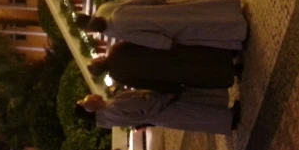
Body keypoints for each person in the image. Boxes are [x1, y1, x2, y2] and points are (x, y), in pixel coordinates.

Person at [82, 0, 248, 50]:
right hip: (162, 11)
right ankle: (229, 8)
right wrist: (156, 0)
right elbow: (138, 1)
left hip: (167, 30)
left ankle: (235, 31)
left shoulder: (114, 30)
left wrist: (166, 44)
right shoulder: (111, 11)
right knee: (199, 10)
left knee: (203, 29)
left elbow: (145, 38)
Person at [87, 42, 237, 92]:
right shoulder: (115, 50)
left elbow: (141, 84)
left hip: (163, 74)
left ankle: (231, 73)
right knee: (198, 55)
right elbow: (137, 42)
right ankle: (228, 56)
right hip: (162, 54)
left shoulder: (116, 76)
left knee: (197, 73)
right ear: (99, 61)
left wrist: (166, 87)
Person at [76, 90, 240, 135]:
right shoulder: (113, 107)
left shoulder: (107, 115)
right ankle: (229, 118)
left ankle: (227, 119)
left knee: (195, 118)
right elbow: (142, 103)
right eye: (85, 99)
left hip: (159, 114)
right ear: (91, 105)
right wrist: (165, 98)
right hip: (161, 108)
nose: (88, 95)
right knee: (197, 113)